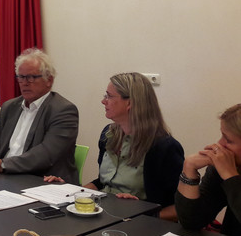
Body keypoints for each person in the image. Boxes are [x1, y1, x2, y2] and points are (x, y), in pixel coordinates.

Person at [45, 72, 184, 221]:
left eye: (109, 96)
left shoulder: (164, 148)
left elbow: (180, 209)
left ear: (130, 103)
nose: (103, 101)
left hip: (137, 225)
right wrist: (69, 191)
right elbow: (103, 183)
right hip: (104, 215)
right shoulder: (108, 134)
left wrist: (140, 215)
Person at [0, 48, 79, 184]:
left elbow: (45, 155)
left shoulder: (63, 110)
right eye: (21, 77)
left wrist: (1, 165)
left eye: (32, 77)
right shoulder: (10, 107)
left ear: (49, 81)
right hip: (4, 177)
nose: (25, 83)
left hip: (42, 181)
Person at [176, 103, 241, 236]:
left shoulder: (227, 170)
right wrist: (189, 168)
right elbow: (192, 221)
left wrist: (230, 177)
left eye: (228, 140)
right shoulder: (224, 166)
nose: (220, 144)